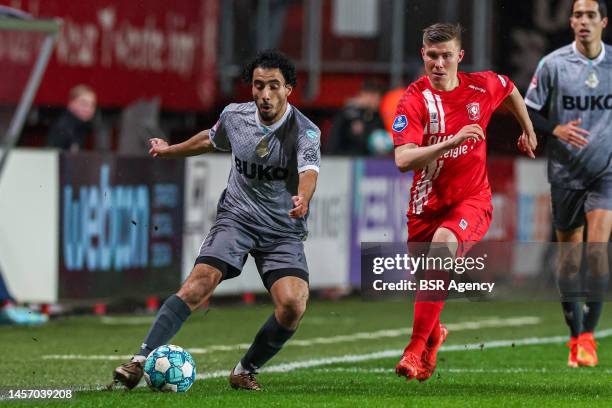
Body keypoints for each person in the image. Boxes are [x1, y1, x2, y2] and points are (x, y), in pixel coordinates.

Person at [111, 50, 321, 391]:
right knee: (199, 282)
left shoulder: (305, 132)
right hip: (237, 217)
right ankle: (138, 361)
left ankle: (245, 368)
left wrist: (304, 197)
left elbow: (309, 171)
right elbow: (210, 139)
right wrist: (169, 150)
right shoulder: (235, 116)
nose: (264, 95)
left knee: (293, 304)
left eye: (273, 86)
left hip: (282, 229)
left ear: (289, 90)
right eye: (258, 86)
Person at [392, 23, 537, 382]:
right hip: (425, 205)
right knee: (427, 282)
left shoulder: (480, 86)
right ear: (423, 55)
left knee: (443, 247)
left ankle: (413, 347)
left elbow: (510, 88)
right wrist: (448, 142)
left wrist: (528, 127)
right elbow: (403, 159)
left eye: (446, 56)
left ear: (460, 56)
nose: (439, 64)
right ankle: (434, 335)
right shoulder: (414, 99)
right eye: (432, 56)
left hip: (472, 200)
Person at [525, 0, 611, 368]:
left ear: (603, 22)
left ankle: (589, 338)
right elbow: (528, 109)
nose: (584, 21)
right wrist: (554, 129)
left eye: (591, 15)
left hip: (605, 172)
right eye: (578, 15)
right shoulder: (553, 64)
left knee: (597, 251)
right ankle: (575, 337)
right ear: (572, 21)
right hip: (565, 174)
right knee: (570, 261)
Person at [326, 79, 386, 156]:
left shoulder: (378, 117)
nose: (376, 101)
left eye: (378, 97)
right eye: (372, 96)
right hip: (343, 159)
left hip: (369, 161)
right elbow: (334, 138)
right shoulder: (348, 113)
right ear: (363, 95)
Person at [46, 84, 96, 152]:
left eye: (92, 105)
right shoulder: (63, 127)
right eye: (84, 103)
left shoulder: (82, 126)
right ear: (71, 103)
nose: (88, 109)